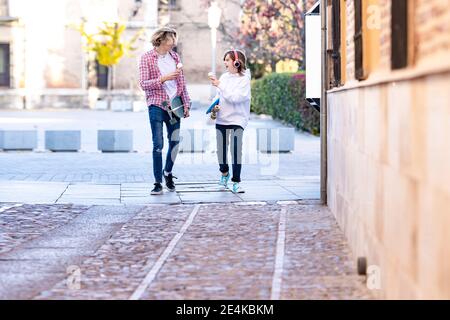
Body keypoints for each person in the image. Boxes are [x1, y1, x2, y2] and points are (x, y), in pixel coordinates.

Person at [139, 27, 191, 195]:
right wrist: (163, 78)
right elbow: (143, 84)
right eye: (170, 40)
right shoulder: (147, 58)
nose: (173, 44)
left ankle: (167, 172)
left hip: (175, 105)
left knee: (175, 142)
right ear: (160, 40)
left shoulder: (175, 57)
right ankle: (157, 182)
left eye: (174, 40)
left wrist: (186, 103)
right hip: (156, 104)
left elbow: (182, 83)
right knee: (158, 144)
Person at [208, 49, 251, 194]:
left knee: (236, 150)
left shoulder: (244, 79)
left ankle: (236, 182)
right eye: (225, 60)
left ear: (237, 62)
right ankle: (224, 173)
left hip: (238, 119)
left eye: (227, 60)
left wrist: (220, 85)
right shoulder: (224, 78)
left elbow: (236, 98)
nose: (225, 63)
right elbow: (219, 96)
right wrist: (214, 106)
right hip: (222, 118)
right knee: (221, 151)